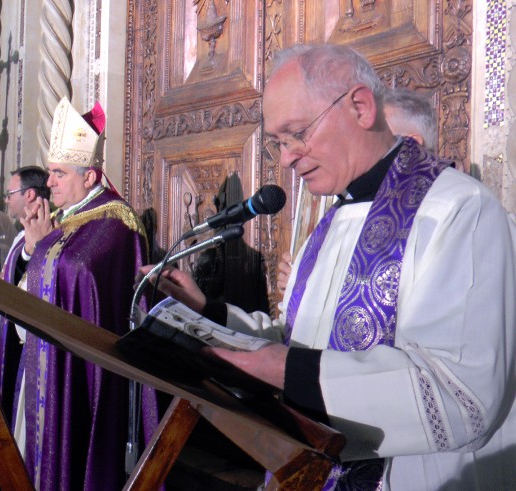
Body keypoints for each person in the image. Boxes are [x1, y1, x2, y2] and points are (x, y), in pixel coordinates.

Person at [141, 44, 516, 490]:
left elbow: (463, 397)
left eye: (296, 133)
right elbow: (296, 339)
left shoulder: (460, 211)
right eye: (279, 143)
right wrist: (211, 314)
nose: (286, 158)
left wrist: (291, 373)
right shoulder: (330, 222)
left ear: (360, 106)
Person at [5, 97, 160, 490]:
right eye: (49, 173)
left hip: (79, 374)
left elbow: (83, 285)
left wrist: (41, 250)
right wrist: (30, 250)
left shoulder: (115, 223)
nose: (49, 182)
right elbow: (24, 275)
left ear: (89, 177)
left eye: (58, 173)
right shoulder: (62, 218)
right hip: (43, 362)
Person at [276, 86, 442, 294]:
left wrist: (312, 290)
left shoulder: (443, 216)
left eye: (380, 137)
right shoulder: (342, 211)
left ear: (413, 144)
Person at [0, 165, 50, 433]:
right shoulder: (20, 233)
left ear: (28, 195)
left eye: (9, 193)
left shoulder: (45, 229)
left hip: (20, 337)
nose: (5, 200)